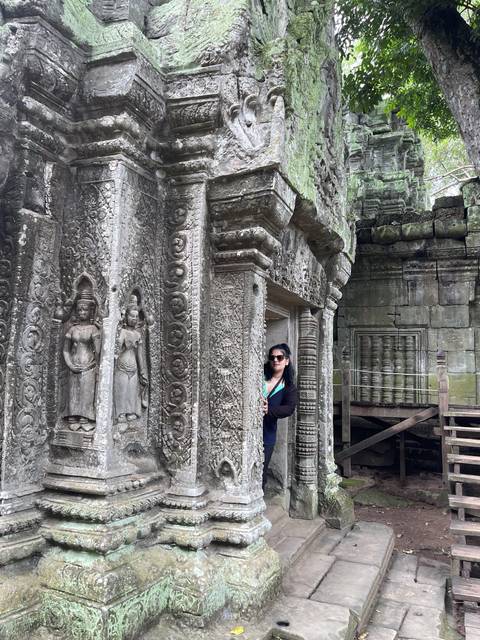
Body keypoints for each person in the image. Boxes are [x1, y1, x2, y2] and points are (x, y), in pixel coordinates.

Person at [262, 343, 298, 490]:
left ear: (287, 360)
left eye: (280, 357)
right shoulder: (260, 376)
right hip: (246, 430)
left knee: (260, 472)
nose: (275, 360)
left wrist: (268, 409)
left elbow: (289, 408)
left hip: (267, 434)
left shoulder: (288, 386)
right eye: (272, 357)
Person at [114, 295, 149, 424]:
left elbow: (140, 355)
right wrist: (124, 346)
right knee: (121, 390)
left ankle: (131, 411)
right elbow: (115, 352)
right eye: (131, 316)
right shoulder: (121, 332)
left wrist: (142, 371)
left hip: (133, 366)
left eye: (136, 317)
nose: (134, 319)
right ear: (126, 317)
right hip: (121, 366)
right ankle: (120, 413)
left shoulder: (138, 334)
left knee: (132, 391)